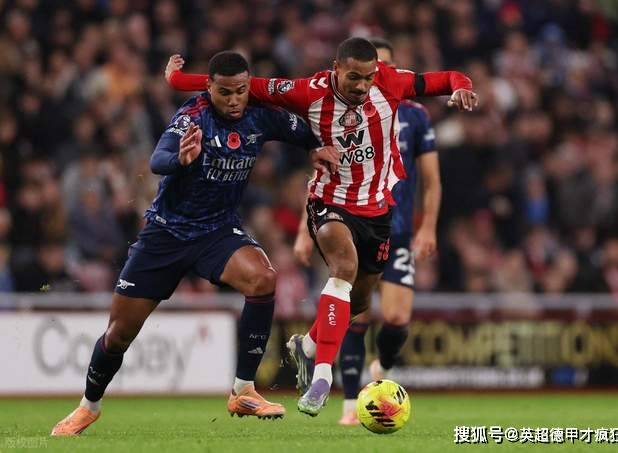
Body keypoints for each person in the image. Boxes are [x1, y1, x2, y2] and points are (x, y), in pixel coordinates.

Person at [166, 37, 477, 416]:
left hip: (377, 209)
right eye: (353, 77)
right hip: (329, 201)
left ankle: (308, 346)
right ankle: (322, 378)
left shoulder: (391, 81)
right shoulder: (307, 91)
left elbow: (446, 78)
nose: (361, 86)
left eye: (368, 78)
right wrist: (177, 80)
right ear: (336, 69)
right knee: (343, 268)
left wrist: (462, 87)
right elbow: (245, 85)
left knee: (358, 303)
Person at [51, 51, 338, 436]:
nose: (234, 100)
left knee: (263, 279)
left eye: (241, 91)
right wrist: (181, 159)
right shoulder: (193, 117)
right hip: (166, 234)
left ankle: (243, 390)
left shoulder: (259, 115)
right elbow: (158, 159)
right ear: (209, 87)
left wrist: (315, 148)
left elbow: (302, 129)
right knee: (118, 334)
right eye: (225, 92)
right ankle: (88, 406)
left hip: (217, 232)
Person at [293, 37, 441, 425]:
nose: (370, 82)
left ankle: (356, 360)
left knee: (391, 317)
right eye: (360, 75)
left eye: (378, 72)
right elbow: (321, 174)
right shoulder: (336, 107)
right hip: (345, 212)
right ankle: (344, 403)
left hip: (394, 225)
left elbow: (431, 178)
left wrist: (428, 225)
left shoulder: (415, 116)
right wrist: (304, 232)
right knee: (353, 308)